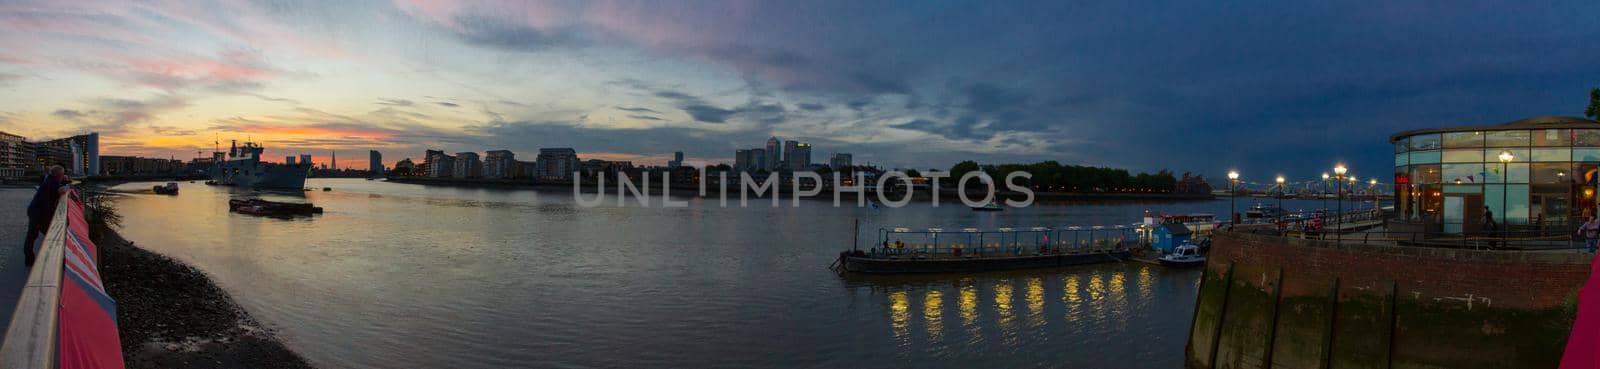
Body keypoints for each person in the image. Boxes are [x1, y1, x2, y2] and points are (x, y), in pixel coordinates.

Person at [22, 166, 70, 267]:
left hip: (34, 210)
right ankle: (55, 260)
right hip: (39, 213)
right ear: (59, 175)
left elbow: (57, 187)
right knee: (52, 235)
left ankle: (29, 260)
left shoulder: (49, 179)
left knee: (32, 235)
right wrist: (67, 186)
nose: (63, 176)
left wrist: (64, 181)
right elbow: (61, 190)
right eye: (62, 174)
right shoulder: (52, 182)